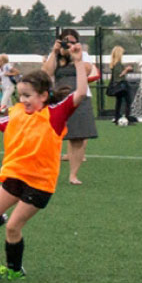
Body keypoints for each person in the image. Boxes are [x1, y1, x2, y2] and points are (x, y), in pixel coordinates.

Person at [0, 45, 90, 280]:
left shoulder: (54, 115)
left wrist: (78, 61)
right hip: (15, 177)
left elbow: (79, 93)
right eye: (21, 96)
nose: (23, 100)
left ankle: (14, 269)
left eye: (28, 96)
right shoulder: (18, 113)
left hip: (39, 185)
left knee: (12, 229)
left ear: (43, 96)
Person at [42, 28, 98, 184]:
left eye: (73, 41)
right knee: (52, 136)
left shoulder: (82, 55)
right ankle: (48, 171)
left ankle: (73, 174)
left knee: (78, 139)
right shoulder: (55, 56)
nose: (69, 44)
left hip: (79, 97)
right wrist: (54, 52)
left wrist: (75, 57)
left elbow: (87, 70)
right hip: (59, 99)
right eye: (66, 41)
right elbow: (46, 73)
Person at [107, 46, 135, 124]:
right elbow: (120, 75)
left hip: (116, 86)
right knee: (127, 101)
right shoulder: (118, 64)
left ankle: (117, 117)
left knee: (119, 102)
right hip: (121, 85)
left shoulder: (113, 64)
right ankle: (127, 117)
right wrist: (127, 70)